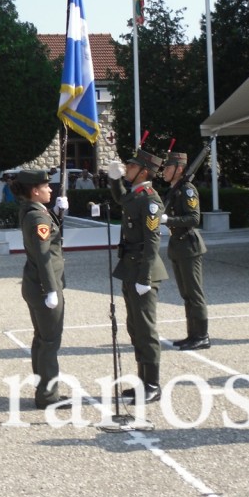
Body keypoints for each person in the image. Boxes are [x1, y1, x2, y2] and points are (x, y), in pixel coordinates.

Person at [107, 148, 168, 403]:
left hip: (143, 271)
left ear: (143, 171)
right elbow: (122, 199)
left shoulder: (150, 200)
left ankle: (153, 384)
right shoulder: (136, 195)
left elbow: (153, 241)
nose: (126, 169)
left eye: (130, 167)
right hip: (130, 268)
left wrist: (144, 278)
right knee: (134, 327)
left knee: (146, 329)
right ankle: (143, 382)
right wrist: (114, 179)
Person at [13, 169, 69, 409]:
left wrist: (57, 214)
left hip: (36, 284)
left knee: (42, 339)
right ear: (35, 191)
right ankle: (47, 396)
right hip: (45, 286)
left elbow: (46, 239)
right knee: (49, 342)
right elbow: (44, 255)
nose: (50, 189)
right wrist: (51, 290)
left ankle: (43, 390)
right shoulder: (37, 217)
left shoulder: (36, 211)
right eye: (46, 187)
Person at [162, 151, 210, 350]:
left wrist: (168, 220)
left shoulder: (187, 189)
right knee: (186, 294)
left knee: (194, 293)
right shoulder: (175, 189)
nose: (164, 171)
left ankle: (202, 336)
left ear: (179, 169)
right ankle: (192, 334)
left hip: (189, 246)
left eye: (168, 167)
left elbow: (193, 218)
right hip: (178, 247)